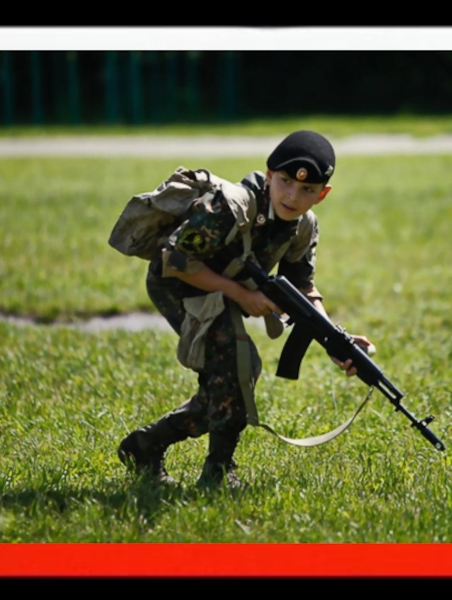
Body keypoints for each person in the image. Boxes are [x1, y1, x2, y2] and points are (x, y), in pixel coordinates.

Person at [117, 130, 374, 490]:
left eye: (307, 189)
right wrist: (240, 293)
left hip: (223, 286)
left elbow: (303, 287)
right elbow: (174, 260)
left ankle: (149, 446)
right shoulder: (230, 205)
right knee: (236, 371)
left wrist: (336, 340)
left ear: (323, 194)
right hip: (177, 283)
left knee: (236, 375)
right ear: (269, 176)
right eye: (285, 182)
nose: (292, 196)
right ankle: (217, 471)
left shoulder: (303, 226)